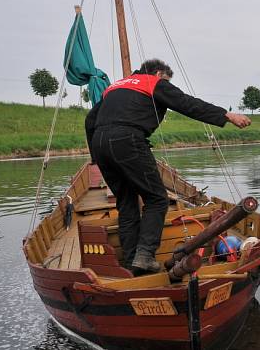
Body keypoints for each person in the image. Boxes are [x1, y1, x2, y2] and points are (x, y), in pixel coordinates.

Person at [85, 59, 251, 274]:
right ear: (159, 73)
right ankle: (144, 256)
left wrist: (96, 158)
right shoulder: (153, 82)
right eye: (167, 80)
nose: (168, 85)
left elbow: (90, 120)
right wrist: (226, 115)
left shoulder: (114, 87)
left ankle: (131, 261)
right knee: (156, 199)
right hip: (127, 139)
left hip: (99, 143)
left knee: (126, 203)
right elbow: (187, 103)